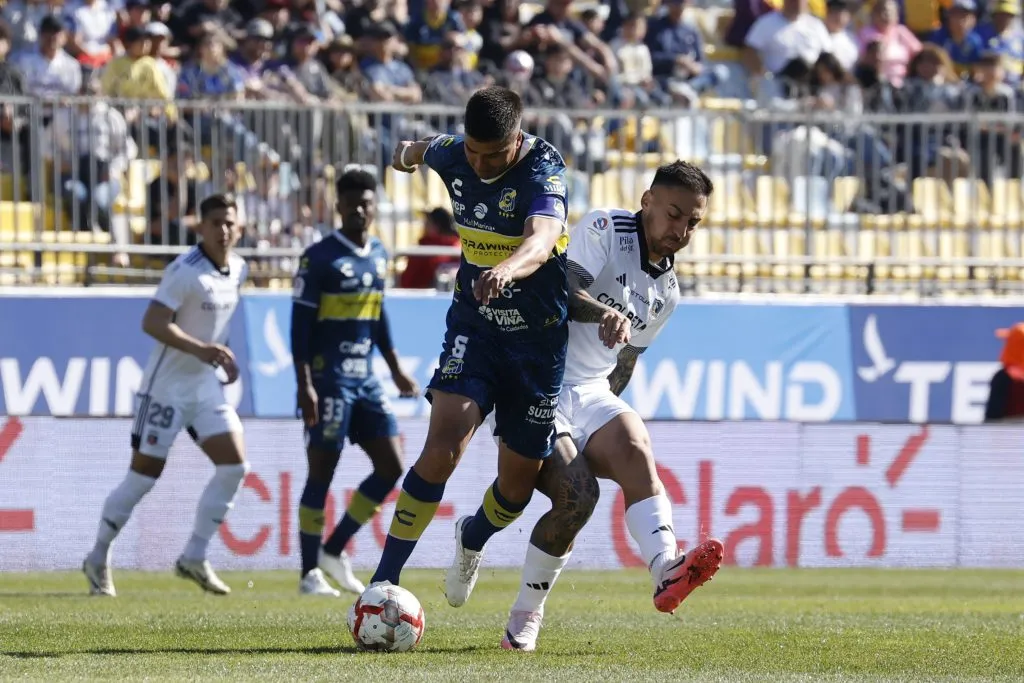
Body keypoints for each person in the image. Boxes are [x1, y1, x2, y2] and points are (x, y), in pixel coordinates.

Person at [498, 162, 725, 651]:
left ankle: (667, 568)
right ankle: (524, 608)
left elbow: (626, 364)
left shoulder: (667, 293)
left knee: (636, 444)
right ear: (647, 201)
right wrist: (605, 312)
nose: (681, 231)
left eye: (693, 223)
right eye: (673, 214)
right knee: (577, 498)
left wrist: (602, 432)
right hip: (536, 380)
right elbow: (563, 286)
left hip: (590, 390)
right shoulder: (606, 226)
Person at [365, 86, 571, 609]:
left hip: (537, 340)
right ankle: (381, 582)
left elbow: (543, 238)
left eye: (493, 155)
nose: (480, 165)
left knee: (516, 489)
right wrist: (405, 155)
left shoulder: (543, 167)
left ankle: (473, 536)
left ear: (517, 139)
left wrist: (504, 268)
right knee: (444, 443)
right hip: (475, 326)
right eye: (473, 153)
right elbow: (419, 148)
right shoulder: (454, 152)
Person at [82, 193, 249, 597]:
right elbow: (153, 322)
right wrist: (202, 350)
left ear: (239, 226)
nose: (223, 230)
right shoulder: (184, 270)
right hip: (165, 391)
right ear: (201, 228)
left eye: (230, 222)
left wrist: (219, 357)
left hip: (204, 388)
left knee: (234, 467)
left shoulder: (239, 268)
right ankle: (98, 556)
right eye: (215, 223)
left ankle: (194, 555)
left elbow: (213, 326)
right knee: (143, 478)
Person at [291, 169, 419, 597]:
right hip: (328, 381)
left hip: (366, 379)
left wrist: (396, 367)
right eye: (353, 203)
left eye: (368, 203)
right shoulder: (319, 258)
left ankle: (335, 545)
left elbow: (378, 316)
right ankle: (310, 572)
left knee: (392, 466)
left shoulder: (379, 253)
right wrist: (303, 385)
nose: (361, 210)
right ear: (339, 206)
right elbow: (299, 328)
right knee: (321, 474)